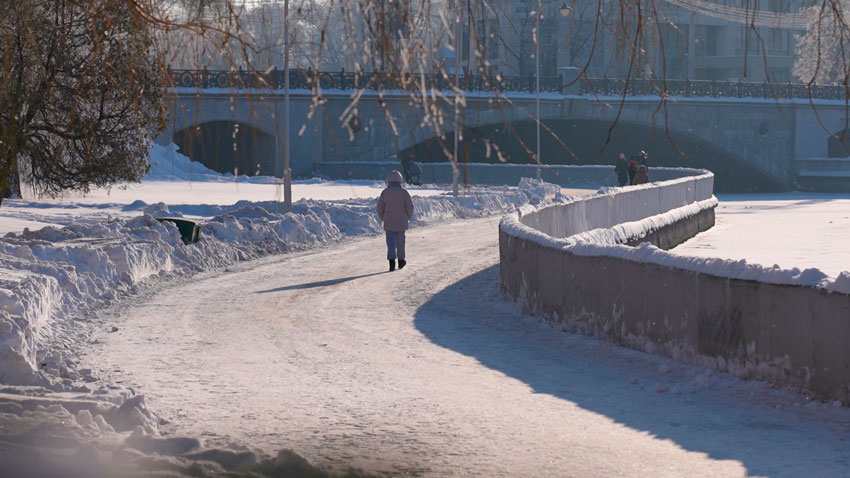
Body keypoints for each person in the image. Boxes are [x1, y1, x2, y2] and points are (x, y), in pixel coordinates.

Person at [377, 170, 414, 271]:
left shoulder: (384, 193)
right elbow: (410, 207)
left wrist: (383, 217)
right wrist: (408, 217)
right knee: (401, 242)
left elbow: (380, 208)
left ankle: (391, 262)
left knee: (391, 243)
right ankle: (401, 260)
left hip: (389, 221)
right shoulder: (404, 193)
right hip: (402, 221)